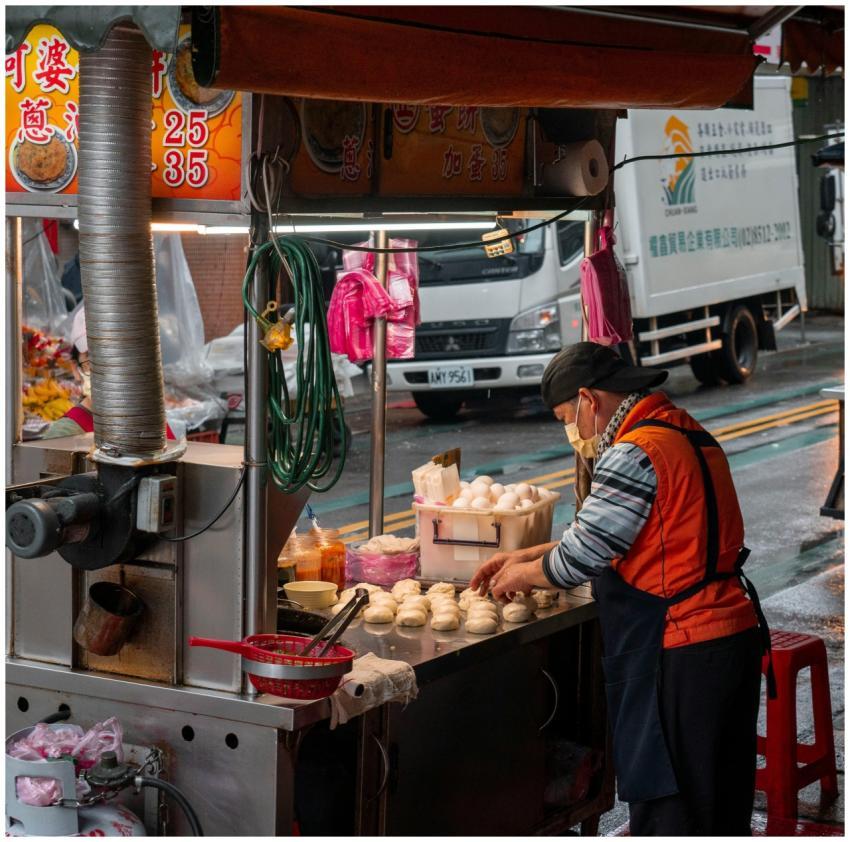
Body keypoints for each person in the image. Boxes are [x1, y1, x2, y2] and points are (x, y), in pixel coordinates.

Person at [470, 342, 771, 836]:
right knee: (718, 804)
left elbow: (581, 557)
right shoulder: (683, 431)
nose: (572, 432)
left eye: (567, 417)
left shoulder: (635, 451)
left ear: (589, 400)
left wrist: (520, 577)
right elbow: (627, 533)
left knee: (676, 811)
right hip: (728, 642)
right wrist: (523, 555)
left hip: (682, 652)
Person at [44, 307, 176, 441]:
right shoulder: (66, 434)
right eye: (93, 357)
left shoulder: (152, 421)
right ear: (75, 369)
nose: (110, 368)